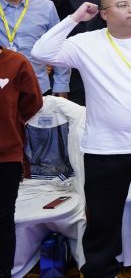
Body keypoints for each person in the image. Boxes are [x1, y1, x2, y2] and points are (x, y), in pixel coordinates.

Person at [30, 0, 131, 278]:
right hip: (104, 147)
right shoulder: (86, 43)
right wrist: (75, 18)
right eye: (123, 5)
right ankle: (101, 269)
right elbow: (41, 52)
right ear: (104, 14)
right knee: (103, 215)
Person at [0, 34, 42, 277]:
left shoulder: (16, 63)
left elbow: (32, 103)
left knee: (3, 219)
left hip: (6, 156)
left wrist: (10, 124)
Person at [0, 0, 65, 95]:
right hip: (2, 87)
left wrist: (61, 85)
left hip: (39, 86)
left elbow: (58, 46)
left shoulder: (46, 6)